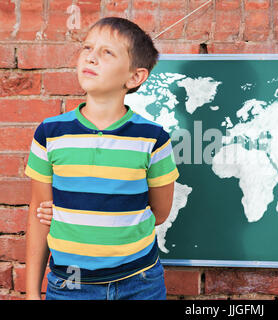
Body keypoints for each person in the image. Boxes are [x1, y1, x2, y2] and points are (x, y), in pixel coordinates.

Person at [24, 16, 179, 300]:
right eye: (87, 48)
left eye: (107, 52)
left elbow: (160, 212)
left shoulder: (153, 138)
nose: (91, 57)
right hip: (70, 285)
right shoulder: (50, 133)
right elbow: (39, 214)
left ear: (135, 77)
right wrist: (32, 292)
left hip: (140, 282)